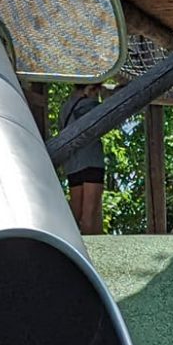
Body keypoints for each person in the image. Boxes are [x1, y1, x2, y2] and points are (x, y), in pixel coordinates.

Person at [58, 84, 105, 235]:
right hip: (91, 160)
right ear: (90, 89)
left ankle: (69, 242)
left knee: (75, 211)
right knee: (90, 212)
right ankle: (92, 250)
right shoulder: (90, 105)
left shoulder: (65, 108)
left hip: (72, 164)